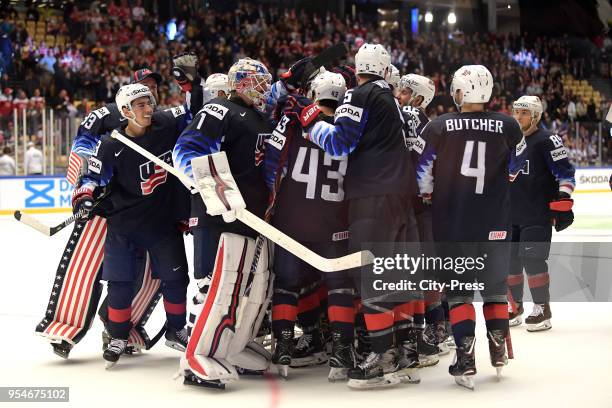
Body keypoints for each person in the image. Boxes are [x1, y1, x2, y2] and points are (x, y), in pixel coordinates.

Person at [299, 43, 418, 389]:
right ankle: (401, 349)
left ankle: (380, 356)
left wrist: (313, 124)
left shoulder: (360, 95)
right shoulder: (392, 100)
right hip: (399, 197)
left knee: (371, 274)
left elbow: (339, 144)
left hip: (372, 196)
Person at [36, 69, 168, 359]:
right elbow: (83, 143)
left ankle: (119, 324)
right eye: (143, 85)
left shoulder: (161, 121)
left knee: (146, 274)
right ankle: (65, 330)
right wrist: (87, 184)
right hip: (103, 206)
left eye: (154, 86)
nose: (149, 90)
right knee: (84, 268)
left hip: (140, 211)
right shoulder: (106, 114)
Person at [416, 65, 526, 390]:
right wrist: (503, 179)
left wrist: (427, 194)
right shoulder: (508, 125)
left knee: (459, 292)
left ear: (460, 92)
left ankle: (465, 356)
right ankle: (497, 347)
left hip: (454, 222)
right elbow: (517, 163)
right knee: (494, 290)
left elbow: (421, 169)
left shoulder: (439, 125)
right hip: (495, 222)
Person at [73, 83, 191, 367]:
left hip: (162, 222)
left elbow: (194, 113)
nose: (149, 109)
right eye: (140, 105)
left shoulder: (165, 124)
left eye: (150, 102)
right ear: (125, 110)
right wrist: (84, 198)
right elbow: (90, 179)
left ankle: (176, 330)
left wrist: (192, 86)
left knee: (176, 280)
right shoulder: (111, 145)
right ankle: (117, 336)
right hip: (124, 225)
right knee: (120, 283)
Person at [173, 57, 274, 387]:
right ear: (241, 82)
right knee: (221, 288)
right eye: (259, 82)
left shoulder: (259, 117)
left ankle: (232, 346)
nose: (265, 88)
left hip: (252, 218)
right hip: (222, 216)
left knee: (253, 289)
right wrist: (220, 196)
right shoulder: (219, 110)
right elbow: (187, 152)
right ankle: (197, 354)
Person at [264, 70, 356, 381]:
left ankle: (284, 347)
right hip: (334, 218)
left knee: (286, 284)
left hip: (294, 215)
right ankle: (343, 349)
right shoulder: (351, 127)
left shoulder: (295, 119)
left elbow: (271, 160)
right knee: (340, 286)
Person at [508, 95, 575, 332]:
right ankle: (514, 307)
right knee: (510, 261)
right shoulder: (509, 139)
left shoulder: (548, 140)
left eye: (524, 113)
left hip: (536, 213)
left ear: (536, 116)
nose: (518, 117)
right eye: (516, 112)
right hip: (510, 213)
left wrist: (564, 196)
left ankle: (542, 309)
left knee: (533, 259)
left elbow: (566, 174)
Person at [396, 73, 447, 363]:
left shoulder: (412, 119)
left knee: (422, 271)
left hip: (418, 207)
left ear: (417, 99)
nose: (399, 95)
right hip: (422, 207)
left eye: (404, 92)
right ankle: (436, 327)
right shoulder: (430, 126)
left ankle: (431, 328)